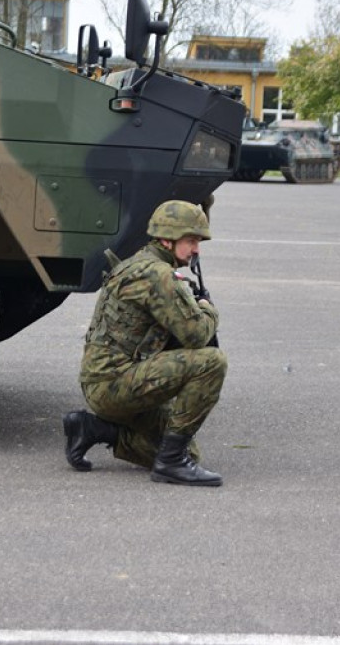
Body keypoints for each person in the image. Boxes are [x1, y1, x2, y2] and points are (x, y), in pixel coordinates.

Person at [63, 200, 227, 486]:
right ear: (167, 238)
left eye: (198, 241)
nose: (196, 249)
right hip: (113, 384)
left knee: (189, 452)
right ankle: (171, 464)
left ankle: (94, 430)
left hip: (109, 381)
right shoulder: (158, 275)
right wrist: (208, 309)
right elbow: (197, 335)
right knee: (212, 363)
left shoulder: (141, 263)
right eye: (191, 240)